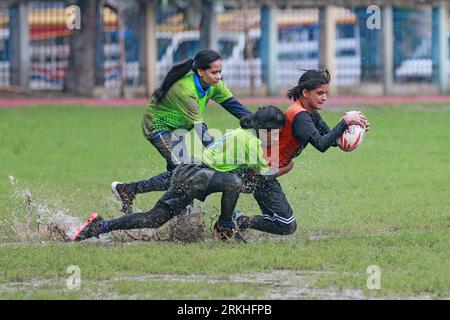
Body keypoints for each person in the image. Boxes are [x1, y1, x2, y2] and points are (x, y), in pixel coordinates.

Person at [70, 106, 293, 242]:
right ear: (267, 128)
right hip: (198, 175)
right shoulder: (252, 143)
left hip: (190, 173)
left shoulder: (239, 131)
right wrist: (287, 167)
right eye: (275, 134)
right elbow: (264, 174)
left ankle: (100, 225)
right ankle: (225, 225)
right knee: (234, 182)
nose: (275, 139)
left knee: (153, 219)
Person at [112, 49, 252, 214]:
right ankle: (180, 209)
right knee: (186, 170)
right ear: (200, 71)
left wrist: (260, 122)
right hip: (158, 127)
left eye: (220, 72)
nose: (218, 76)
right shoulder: (186, 90)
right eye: (214, 72)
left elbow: (235, 107)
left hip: (178, 129)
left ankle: (128, 190)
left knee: (178, 173)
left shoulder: (215, 85)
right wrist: (218, 156)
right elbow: (201, 130)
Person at [235, 69, 370, 235]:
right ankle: (236, 221)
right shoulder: (299, 116)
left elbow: (330, 139)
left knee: (283, 222)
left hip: (268, 172)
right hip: (262, 174)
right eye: (320, 93)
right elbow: (321, 145)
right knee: (286, 225)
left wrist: (354, 130)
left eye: (326, 93)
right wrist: (344, 122)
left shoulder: (309, 113)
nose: (324, 97)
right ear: (305, 92)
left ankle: (232, 220)